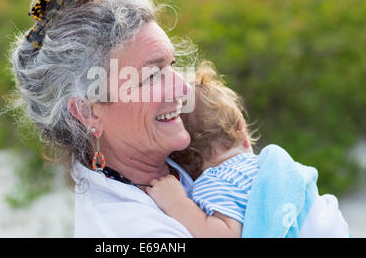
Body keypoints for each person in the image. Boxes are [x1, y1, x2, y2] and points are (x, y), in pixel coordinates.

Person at [8, 0, 350, 237]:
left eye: (171, 65)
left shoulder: (179, 155)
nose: (183, 87)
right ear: (87, 111)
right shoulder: (131, 231)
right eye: (151, 75)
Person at [147, 62, 350, 238]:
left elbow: (225, 235)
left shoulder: (216, 182)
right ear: (241, 126)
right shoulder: (267, 167)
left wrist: (176, 203)